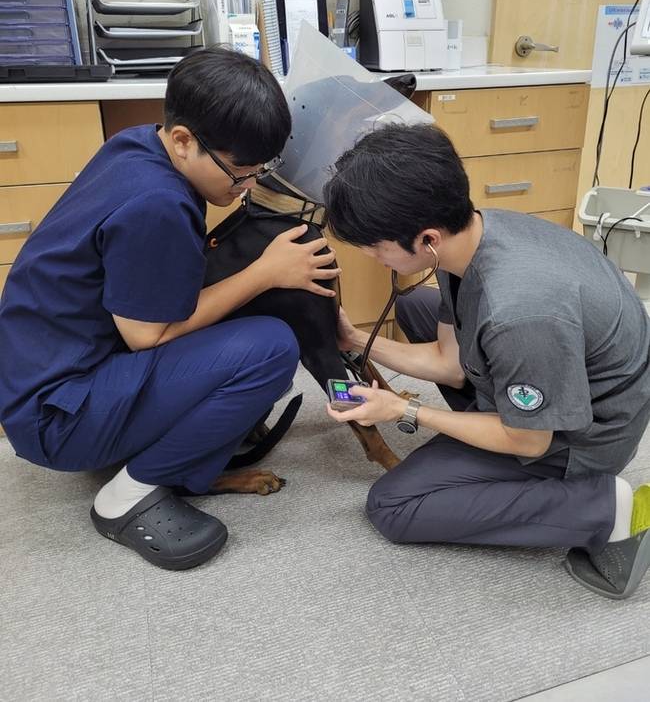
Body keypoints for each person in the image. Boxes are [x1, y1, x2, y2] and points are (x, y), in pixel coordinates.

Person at [0, 46, 340, 571]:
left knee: (233, 322)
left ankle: (151, 445)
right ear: (183, 141)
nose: (248, 186)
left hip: (47, 371)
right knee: (271, 347)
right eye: (241, 173)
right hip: (56, 417)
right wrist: (267, 272)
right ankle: (129, 494)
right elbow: (148, 336)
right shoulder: (157, 205)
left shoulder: (136, 144)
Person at [323, 122, 650, 600]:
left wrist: (404, 411)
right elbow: (450, 363)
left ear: (427, 238)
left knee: (393, 504)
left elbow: (530, 440)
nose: (374, 258)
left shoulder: (518, 313)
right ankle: (496, 423)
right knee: (417, 308)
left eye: (377, 246)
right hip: (566, 375)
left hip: (585, 435)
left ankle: (606, 509)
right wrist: (354, 341)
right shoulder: (475, 232)